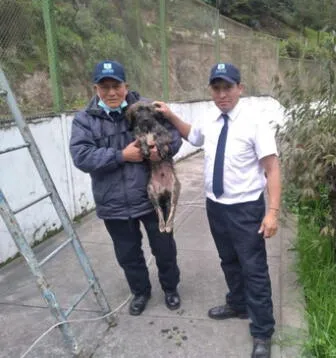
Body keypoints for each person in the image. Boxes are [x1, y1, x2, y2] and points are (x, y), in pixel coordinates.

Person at [153, 62, 281, 358]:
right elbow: (192, 136)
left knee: (255, 269)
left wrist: (271, 211)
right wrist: (171, 115)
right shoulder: (210, 119)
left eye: (228, 87)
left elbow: (272, 169)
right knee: (228, 260)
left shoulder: (255, 122)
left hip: (246, 209)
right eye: (217, 88)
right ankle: (237, 304)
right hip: (215, 206)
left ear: (240, 89)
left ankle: (262, 331)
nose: (222, 94)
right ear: (211, 90)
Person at [69, 60, 183, 316]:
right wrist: (121, 155)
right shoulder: (85, 120)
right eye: (104, 86)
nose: (111, 92)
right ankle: (141, 292)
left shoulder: (146, 107)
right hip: (113, 203)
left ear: (125, 85)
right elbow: (82, 157)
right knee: (128, 255)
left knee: (165, 248)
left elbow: (174, 137)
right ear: (96, 88)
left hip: (150, 197)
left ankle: (171, 289)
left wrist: (160, 152)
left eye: (116, 86)